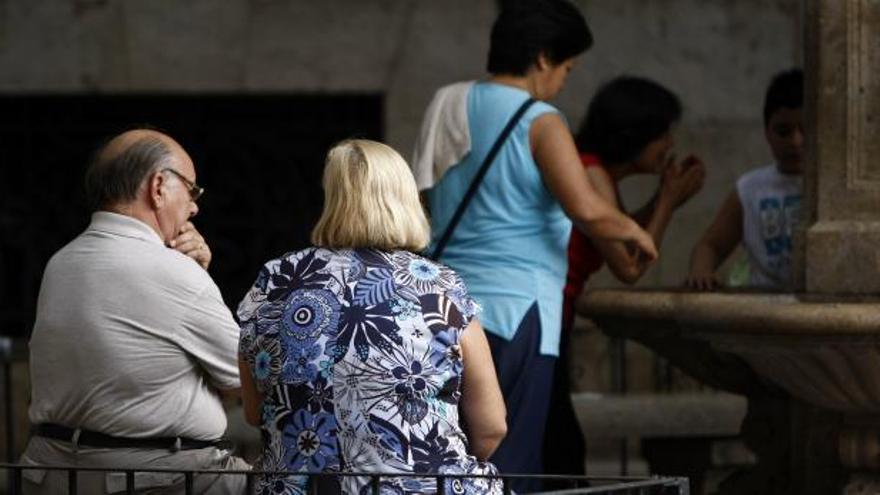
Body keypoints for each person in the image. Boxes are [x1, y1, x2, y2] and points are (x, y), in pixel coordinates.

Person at [410, 1, 657, 488]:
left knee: (446, 451)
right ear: (543, 58)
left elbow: (423, 196)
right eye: (567, 66)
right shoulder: (541, 120)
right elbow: (585, 209)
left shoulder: (447, 100)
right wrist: (637, 231)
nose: (565, 79)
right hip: (516, 310)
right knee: (511, 456)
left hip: (443, 309)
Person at [237, 140, 507, 495]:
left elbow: (255, 413)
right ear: (405, 198)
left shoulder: (275, 280)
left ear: (331, 197)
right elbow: (491, 427)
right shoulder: (440, 287)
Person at [20, 129, 249, 494]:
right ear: (158, 186)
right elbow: (248, 377)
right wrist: (194, 275)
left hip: (51, 472)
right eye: (192, 191)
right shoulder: (172, 271)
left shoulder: (60, 263)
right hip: (155, 477)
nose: (194, 207)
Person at [544, 76, 705, 480]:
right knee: (560, 445)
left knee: (557, 437)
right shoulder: (593, 173)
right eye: (662, 134)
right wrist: (668, 200)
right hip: (546, 317)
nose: (669, 144)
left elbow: (619, 232)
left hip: (550, 316)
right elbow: (630, 265)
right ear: (635, 135)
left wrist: (665, 198)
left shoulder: (596, 174)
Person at [686, 69, 804, 290]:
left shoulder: (836, 190)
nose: (796, 142)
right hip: (763, 306)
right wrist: (701, 271)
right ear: (767, 132)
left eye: (806, 130)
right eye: (783, 131)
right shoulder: (751, 188)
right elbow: (711, 245)